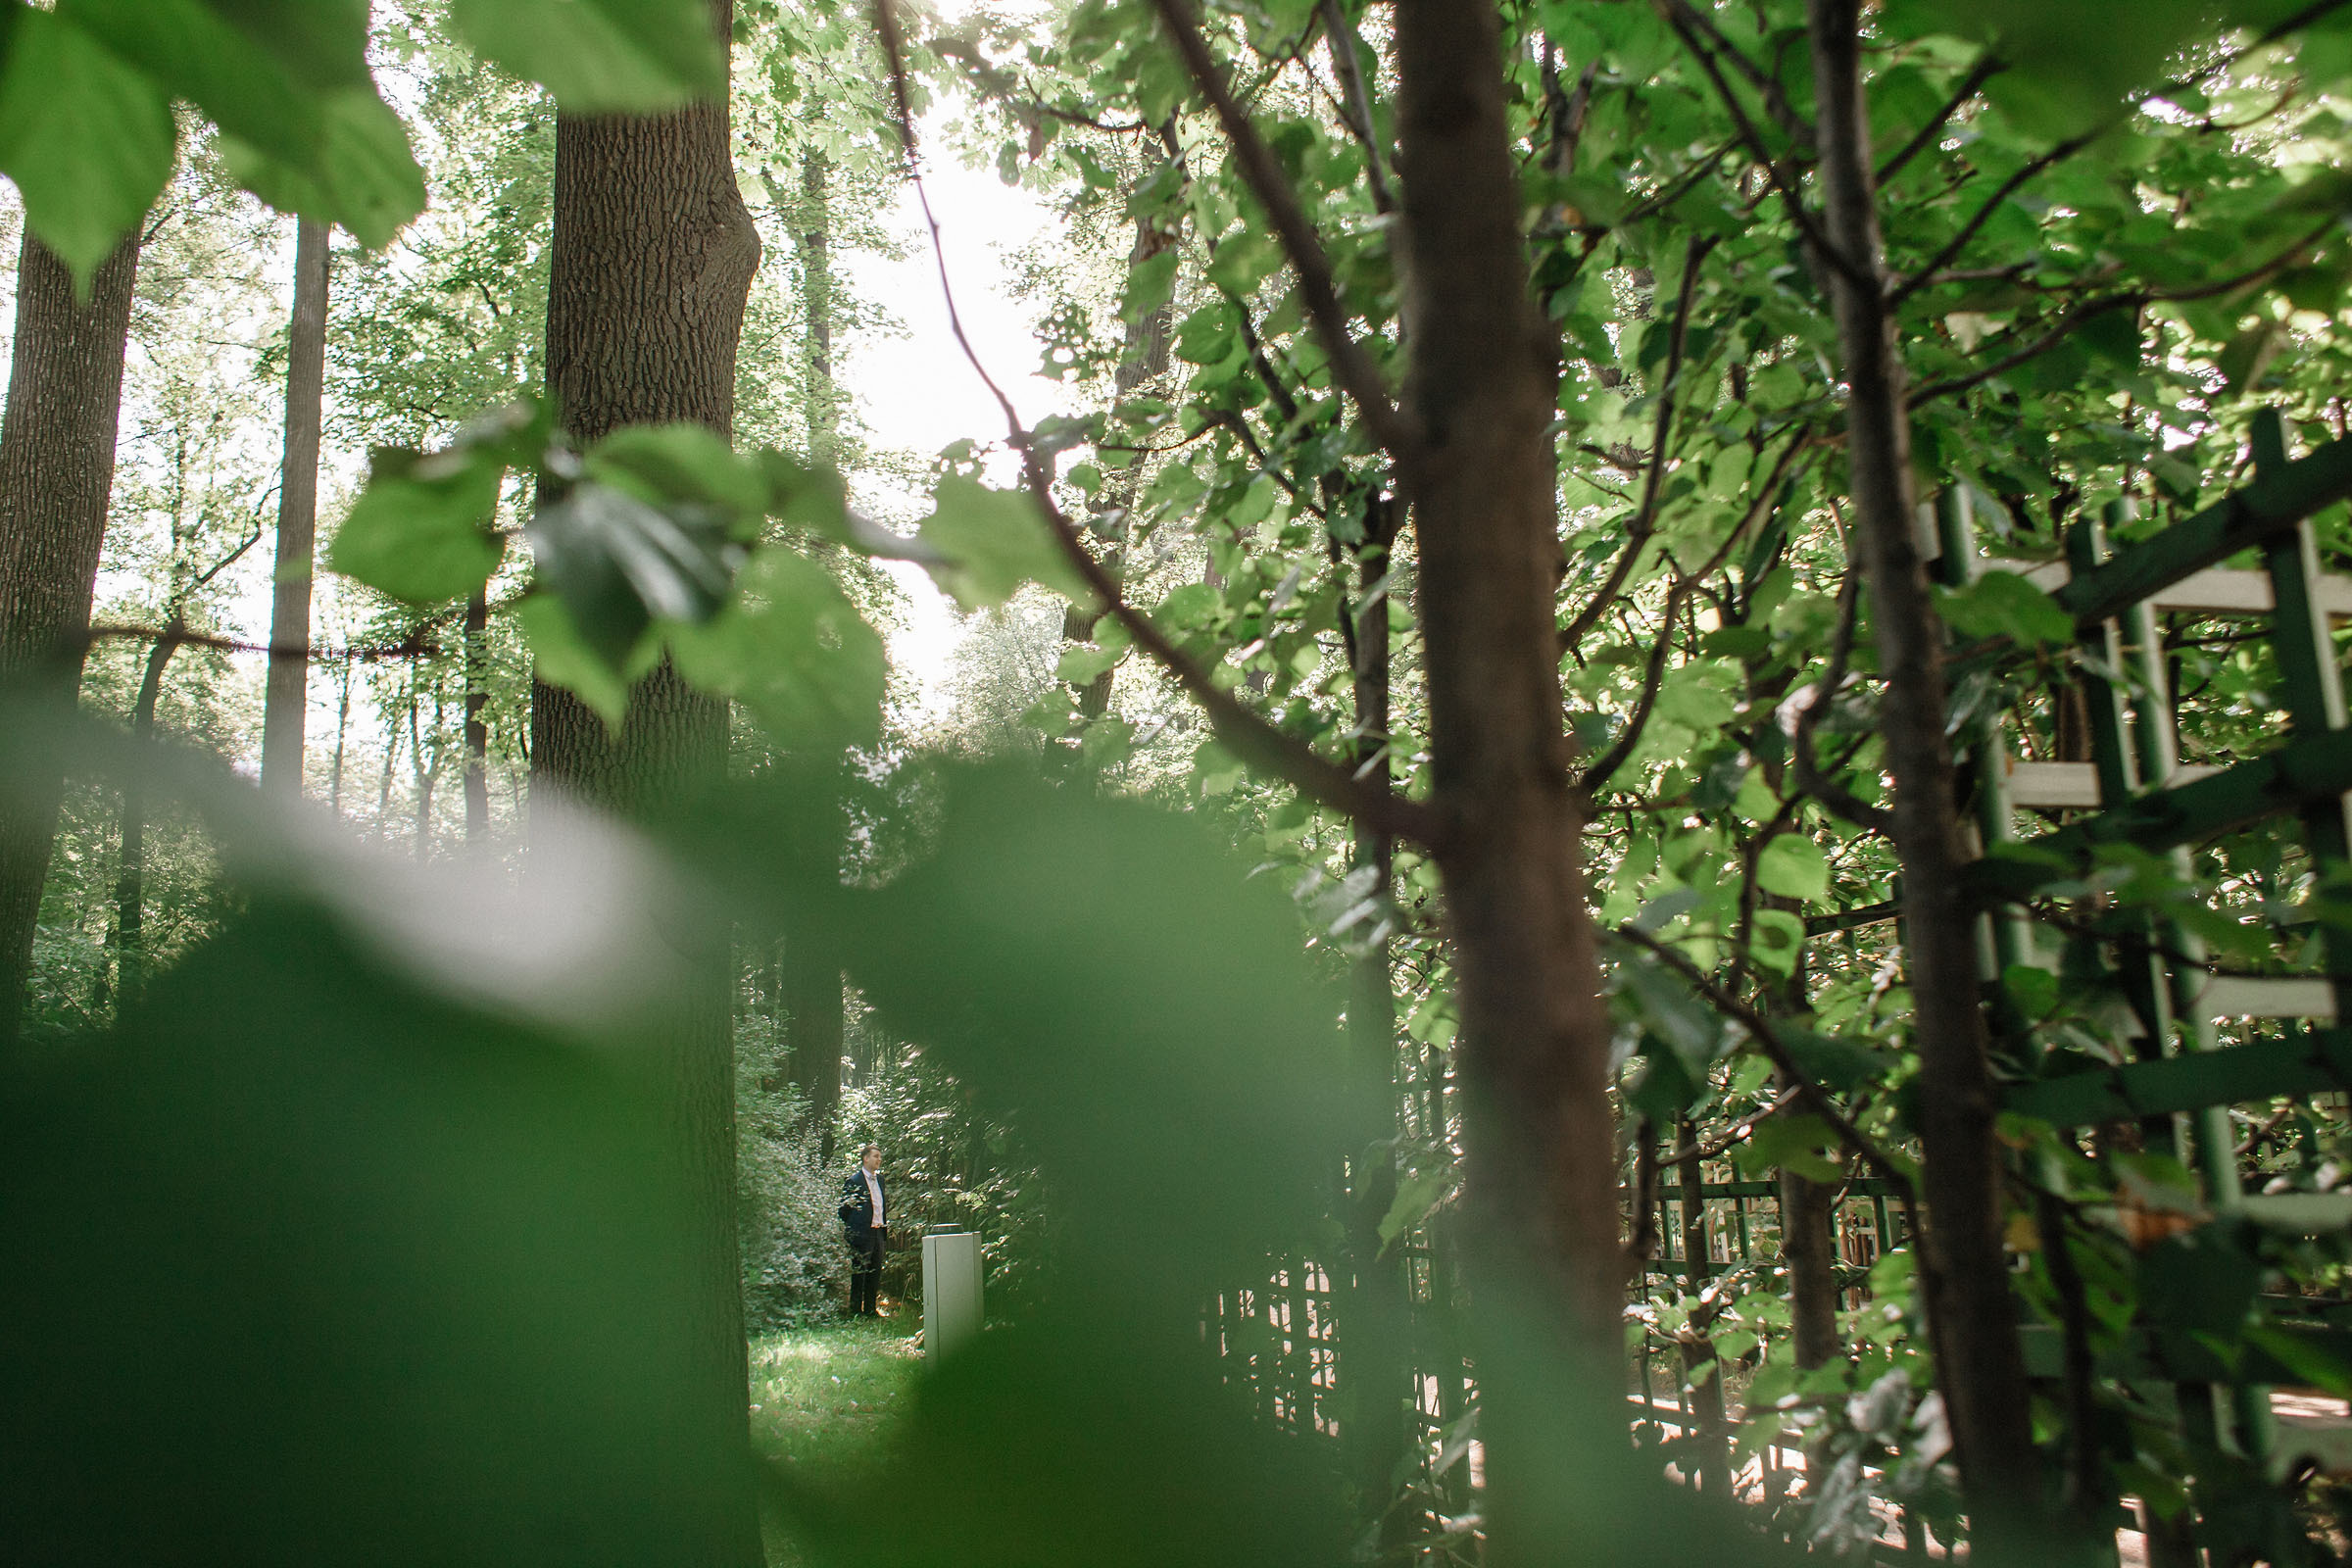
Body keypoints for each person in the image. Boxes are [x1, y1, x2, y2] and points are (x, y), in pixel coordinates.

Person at [837, 1143, 888, 1317]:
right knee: (860, 1273)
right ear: (865, 1158)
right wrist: (857, 1227)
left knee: (875, 1272)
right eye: (876, 1156)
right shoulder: (854, 1181)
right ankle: (856, 1311)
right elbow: (843, 1210)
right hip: (861, 1234)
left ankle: (870, 1311)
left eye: (880, 1157)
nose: (879, 1160)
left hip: (878, 1233)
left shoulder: (880, 1180)